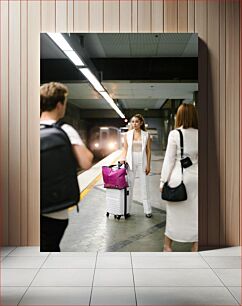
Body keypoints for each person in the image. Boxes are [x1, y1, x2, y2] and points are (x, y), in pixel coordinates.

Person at [40, 82, 93, 251]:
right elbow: (86, 162)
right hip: (55, 210)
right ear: (59, 105)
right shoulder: (64, 129)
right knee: (50, 248)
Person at [160, 103, 198, 252]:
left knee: (174, 214)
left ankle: (167, 246)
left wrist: (163, 181)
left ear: (180, 116)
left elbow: (169, 160)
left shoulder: (175, 134)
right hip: (196, 178)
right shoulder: (202, 133)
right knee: (195, 213)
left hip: (178, 178)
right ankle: (195, 245)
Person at [121, 114, 152, 218]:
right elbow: (125, 148)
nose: (134, 124)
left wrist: (148, 165)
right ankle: (127, 210)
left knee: (145, 185)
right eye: (133, 122)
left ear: (141, 123)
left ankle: (148, 211)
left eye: (136, 122)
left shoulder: (146, 135)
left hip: (142, 160)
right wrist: (123, 158)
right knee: (129, 186)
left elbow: (148, 151)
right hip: (131, 160)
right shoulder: (127, 134)